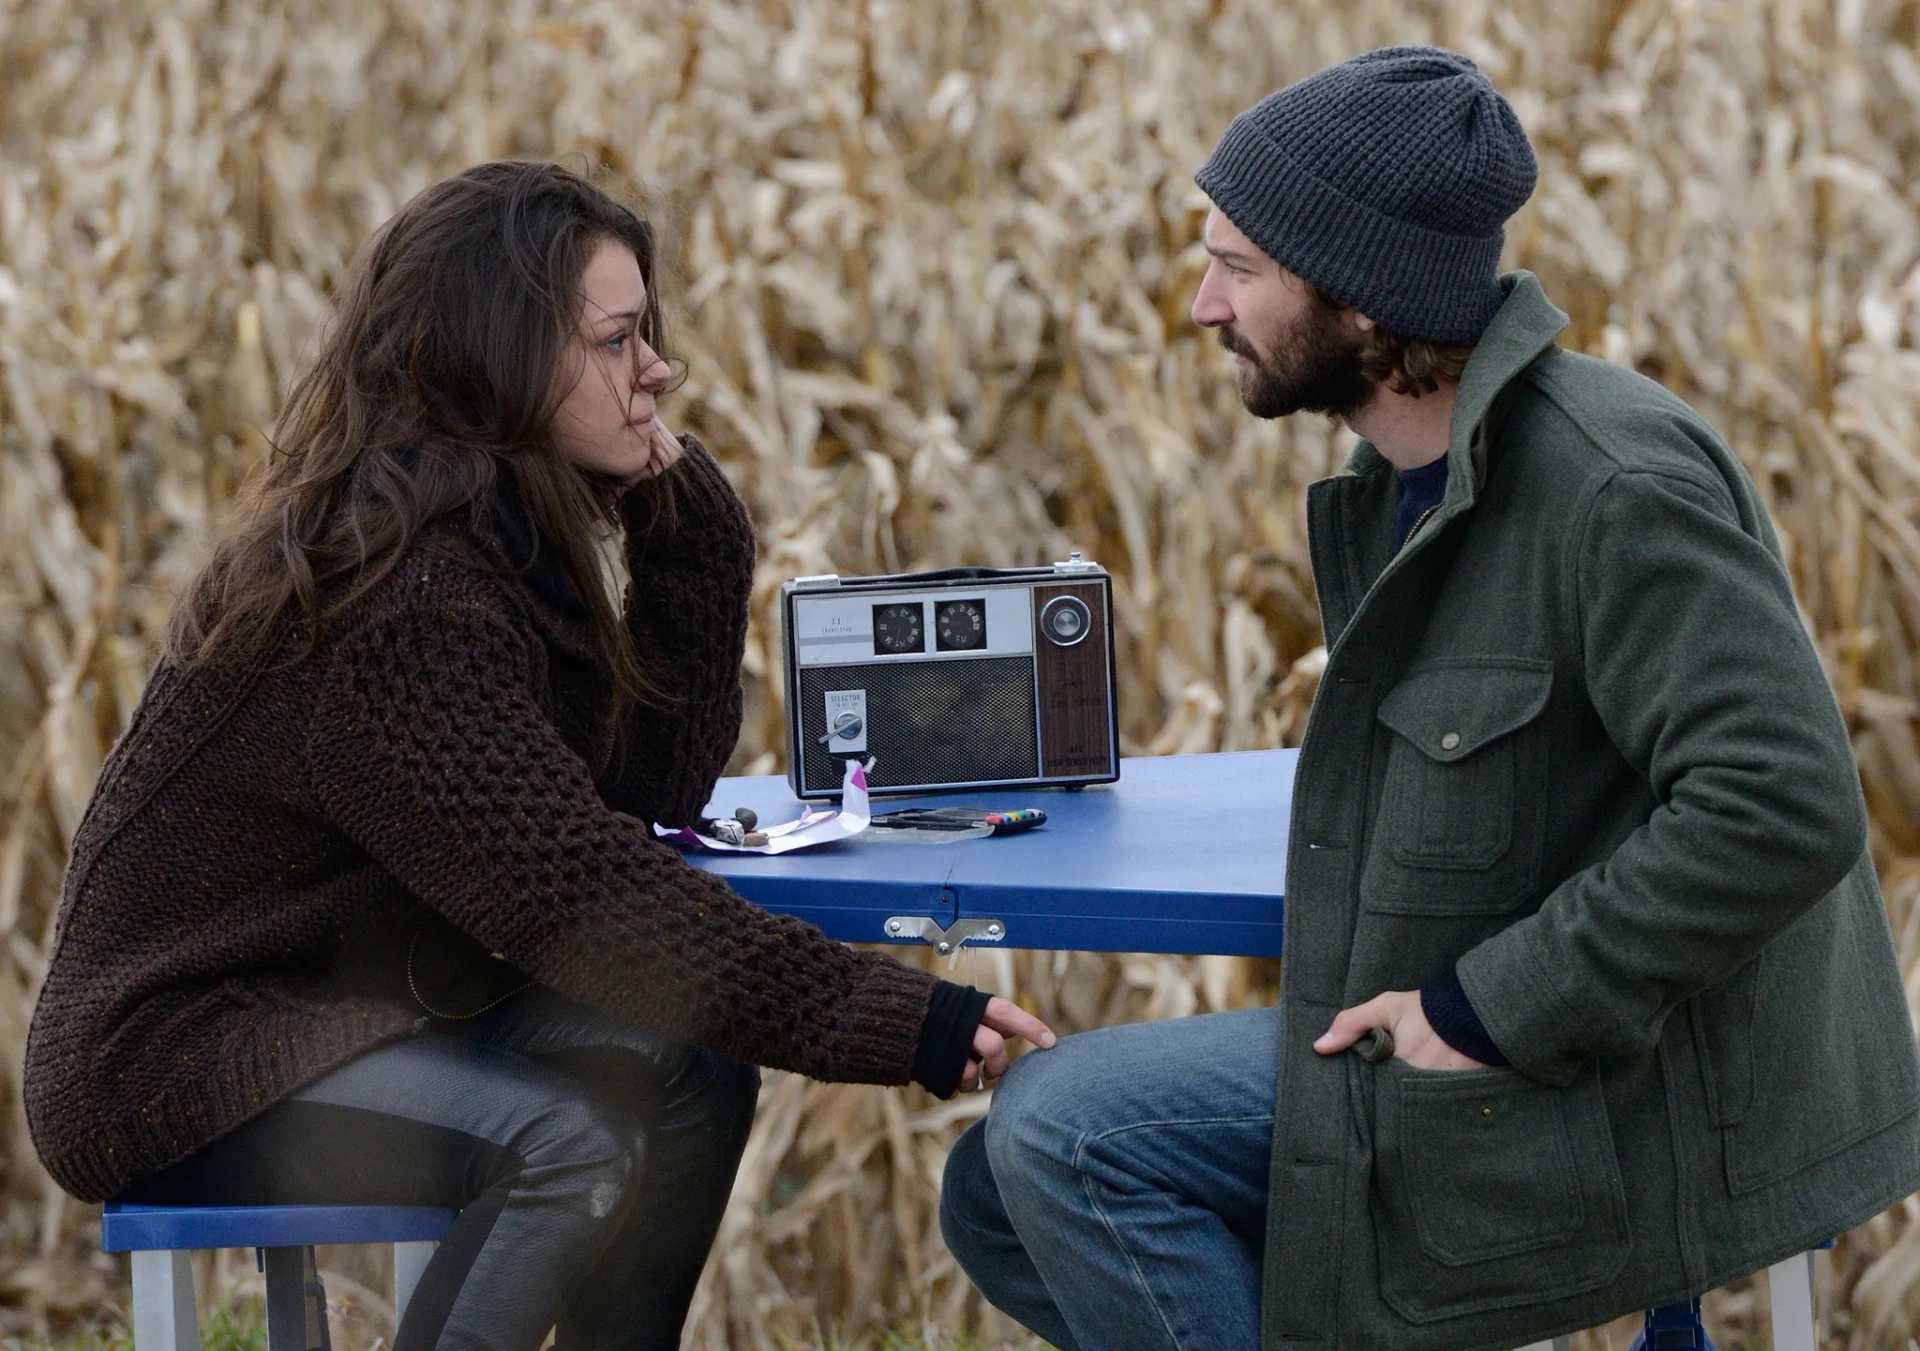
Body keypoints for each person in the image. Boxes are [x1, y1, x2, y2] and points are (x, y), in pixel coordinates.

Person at [940, 46, 1920, 1351]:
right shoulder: (1404, 481)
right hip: (1476, 1040)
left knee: (1059, 1128)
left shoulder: (1612, 487)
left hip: (1629, 1088)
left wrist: (1483, 1006)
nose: (1199, 305)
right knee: (992, 1193)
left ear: (1357, 299)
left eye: (1237, 266)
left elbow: (1785, 805)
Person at [23, 160, 1053, 1351]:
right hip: (180, 1049)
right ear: (499, 361)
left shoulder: (489, 542)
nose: (657, 370)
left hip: (354, 1003)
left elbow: (638, 803)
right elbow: (582, 901)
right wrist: (899, 1018)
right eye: (618, 341)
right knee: (566, 1146)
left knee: (689, 1072)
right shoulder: (396, 595)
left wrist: (688, 536)